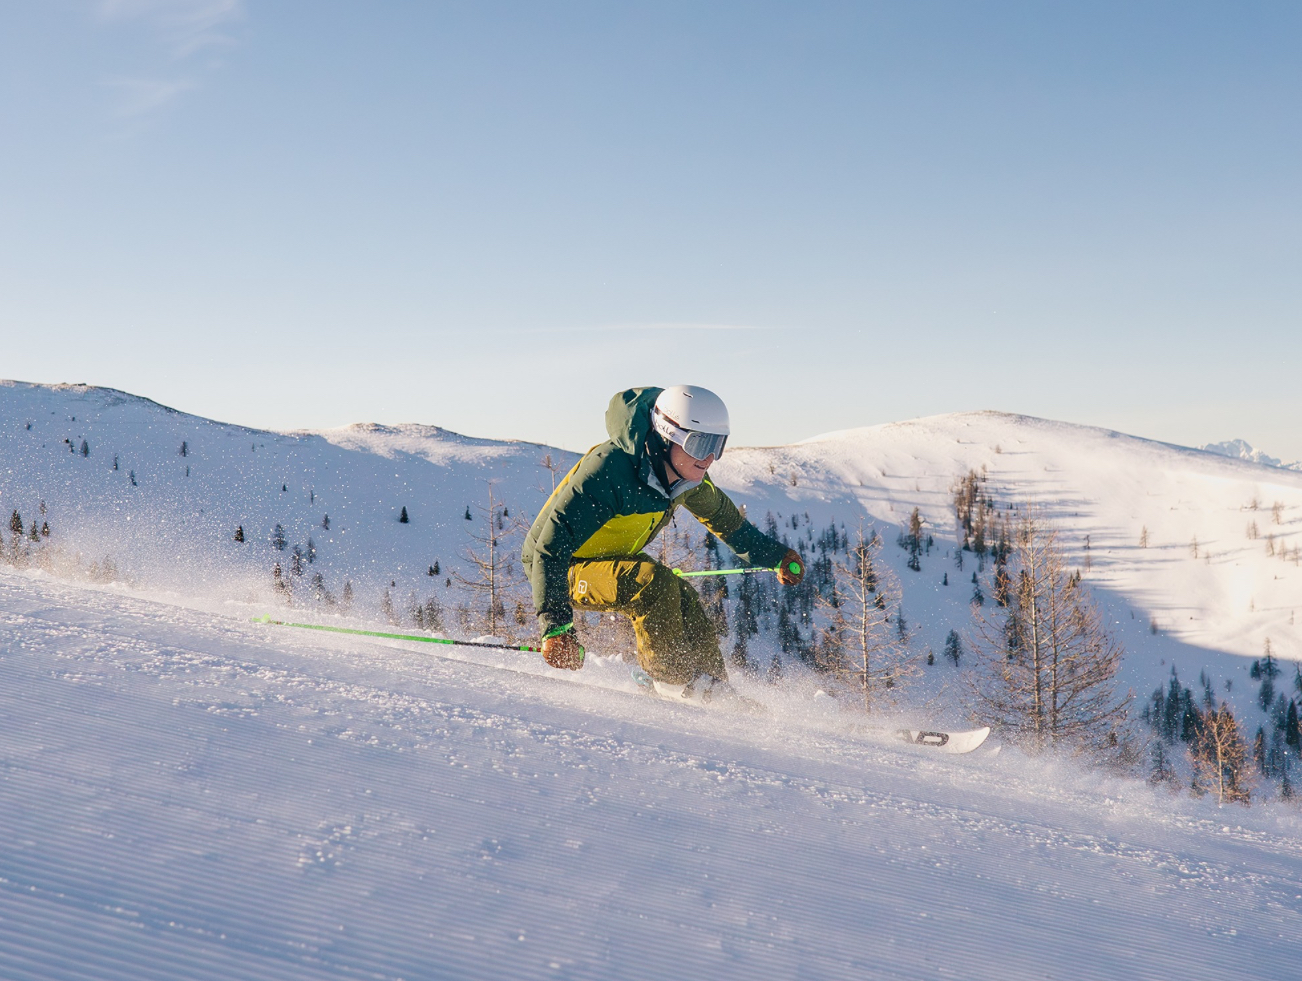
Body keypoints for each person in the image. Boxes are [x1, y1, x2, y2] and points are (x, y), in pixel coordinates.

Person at [522, 385, 804, 700]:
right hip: (560, 569)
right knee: (651, 583)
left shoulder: (686, 478)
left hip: (607, 561)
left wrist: (776, 556)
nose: (709, 458)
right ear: (668, 436)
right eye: (700, 444)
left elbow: (728, 522)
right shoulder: (609, 470)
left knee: (684, 599)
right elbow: (550, 549)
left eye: (718, 446)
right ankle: (674, 684)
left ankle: (716, 691)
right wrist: (556, 627)